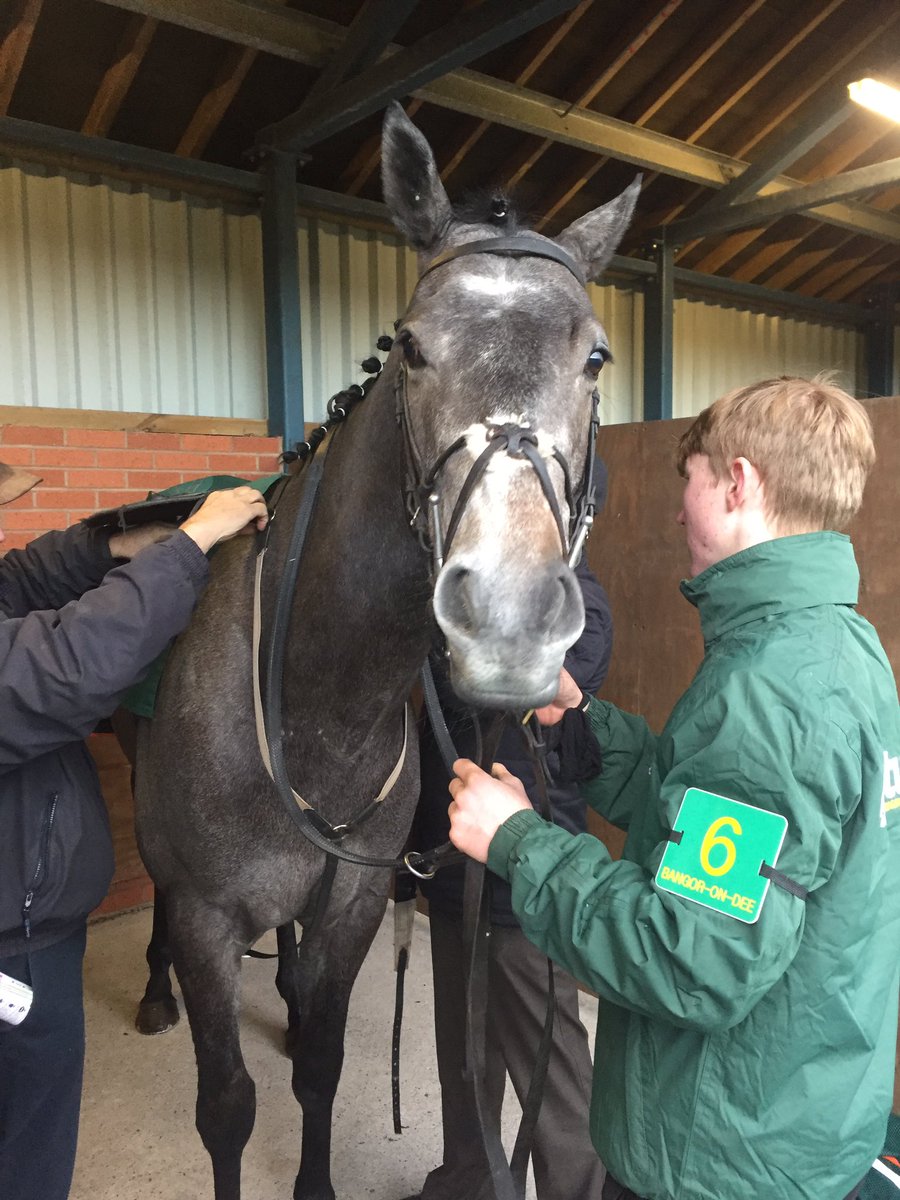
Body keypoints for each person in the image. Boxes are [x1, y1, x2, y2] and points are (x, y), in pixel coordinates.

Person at [444, 377, 900, 1200]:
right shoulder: (831, 644)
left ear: (739, 483)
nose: (675, 512)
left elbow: (692, 956)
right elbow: (719, 829)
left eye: (685, 483)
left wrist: (518, 840)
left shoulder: (771, 692)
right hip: (785, 1121)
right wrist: (582, 724)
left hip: (719, 1154)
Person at [0, 463, 268, 1200]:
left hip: (28, 920)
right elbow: (68, 668)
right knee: (28, 1146)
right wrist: (190, 544)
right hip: (12, 949)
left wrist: (115, 546)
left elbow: (15, 578)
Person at [408, 555, 612, 1200]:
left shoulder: (575, 595)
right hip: (449, 862)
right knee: (463, 1058)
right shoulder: (456, 581)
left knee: (551, 1072)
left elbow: (569, 665)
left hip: (527, 881)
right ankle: (468, 1180)